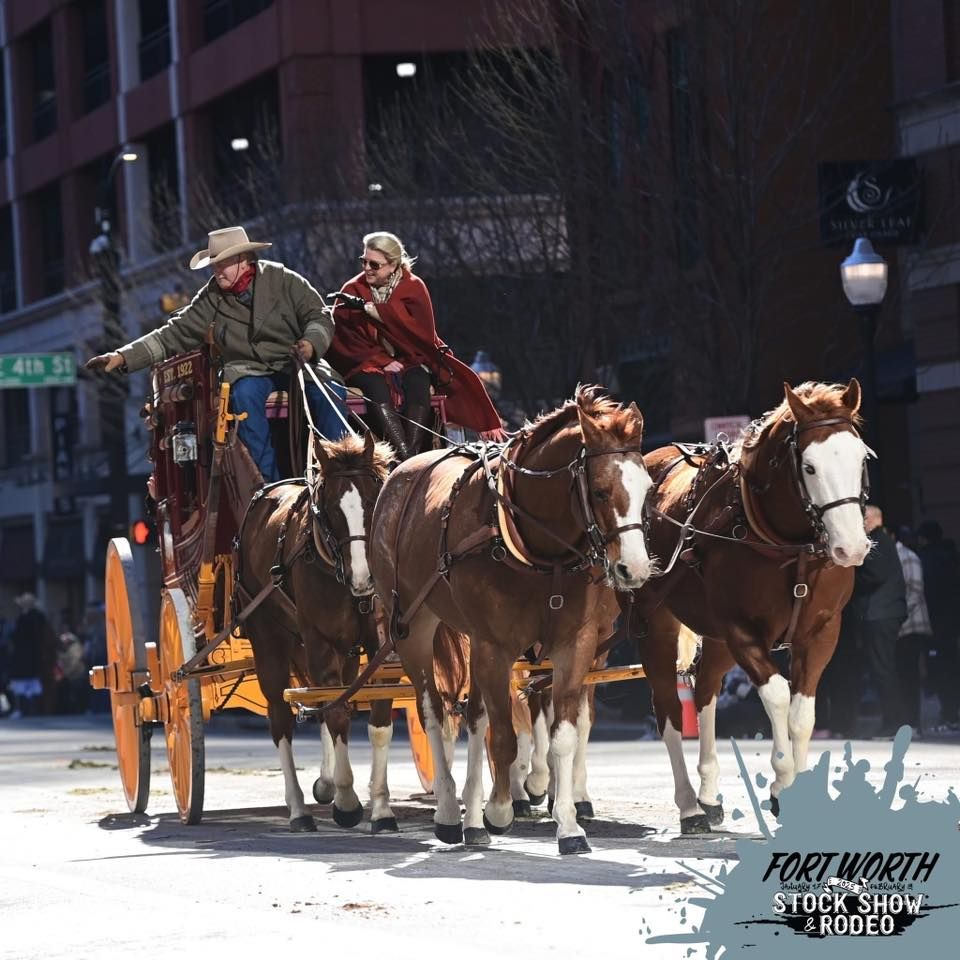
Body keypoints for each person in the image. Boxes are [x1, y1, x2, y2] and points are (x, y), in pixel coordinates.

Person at [85, 225, 348, 482]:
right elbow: (172, 334)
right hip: (249, 370)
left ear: (244, 261)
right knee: (244, 395)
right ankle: (271, 485)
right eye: (214, 264)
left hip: (296, 363)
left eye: (223, 263)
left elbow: (319, 315)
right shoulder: (211, 297)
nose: (217, 270)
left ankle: (340, 473)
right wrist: (122, 356)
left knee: (329, 390)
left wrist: (310, 344)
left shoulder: (285, 281)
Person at [326, 231, 505, 459]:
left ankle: (410, 458)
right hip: (366, 360)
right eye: (364, 261)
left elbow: (421, 332)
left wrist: (373, 310)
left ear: (393, 265)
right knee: (375, 386)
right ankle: (405, 457)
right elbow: (345, 338)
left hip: (412, 356)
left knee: (418, 382)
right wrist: (381, 360)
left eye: (374, 264)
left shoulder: (413, 286)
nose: (367, 268)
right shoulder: (352, 289)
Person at [916, 520, 960, 732]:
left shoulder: (926, 559)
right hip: (952, 622)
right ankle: (952, 714)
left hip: (936, 622)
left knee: (941, 669)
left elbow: (928, 592)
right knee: (951, 667)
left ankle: (949, 714)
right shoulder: (951, 557)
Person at [894, 526, 933, 733]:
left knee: (909, 675)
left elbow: (916, 589)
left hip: (912, 625)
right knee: (904, 674)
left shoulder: (908, 557)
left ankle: (913, 723)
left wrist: (899, 614)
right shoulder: (904, 556)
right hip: (905, 625)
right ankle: (909, 722)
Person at [8, 593, 58, 717]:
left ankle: (27, 709)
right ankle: (32, 708)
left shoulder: (28, 618)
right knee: (31, 685)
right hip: (34, 656)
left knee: (26, 685)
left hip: (26, 656)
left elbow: (19, 636)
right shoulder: (38, 617)